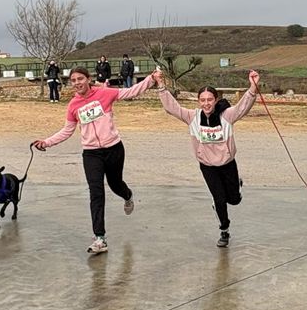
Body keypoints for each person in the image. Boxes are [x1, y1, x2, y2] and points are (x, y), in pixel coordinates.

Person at [33, 64, 161, 254]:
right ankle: (100, 238)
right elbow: (67, 130)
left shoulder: (105, 93)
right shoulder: (73, 105)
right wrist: (46, 142)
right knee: (96, 192)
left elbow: (130, 91)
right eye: (73, 80)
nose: (77, 83)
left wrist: (151, 79)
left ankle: (127, 195)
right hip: (91, 153)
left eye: (80, 79)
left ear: (88, 79)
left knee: (116, 184)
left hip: (114, 149)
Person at [159, 70, 261, 247]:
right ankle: (224, 230)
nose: (206, 103)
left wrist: (253, 87)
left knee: (234, 200)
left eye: (210, 100)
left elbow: (243, 107)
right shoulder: (193, 117)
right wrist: (160, 85)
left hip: (228, 164)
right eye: (203, 100)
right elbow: (172, 108)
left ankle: (237, 183)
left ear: (215, 100)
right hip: (207, 166)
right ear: (199, 102)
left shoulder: (227, 115)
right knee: (219, 199)